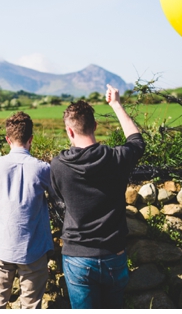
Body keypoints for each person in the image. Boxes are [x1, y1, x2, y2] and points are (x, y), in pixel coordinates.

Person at [50, 84, 145, 309]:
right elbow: (137, 142)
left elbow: (59, 202)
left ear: (69, 131)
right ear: (95, 125)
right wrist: (116, 105)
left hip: (77, 255)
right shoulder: (116, 158)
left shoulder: (59, 165)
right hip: (114, 253)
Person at [0, 111, 53, 309]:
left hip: (1, 247)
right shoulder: (43, 169)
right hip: (33, 248)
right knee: (30, 306)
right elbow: (56, 196)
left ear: (7, 139)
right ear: (31, 139)